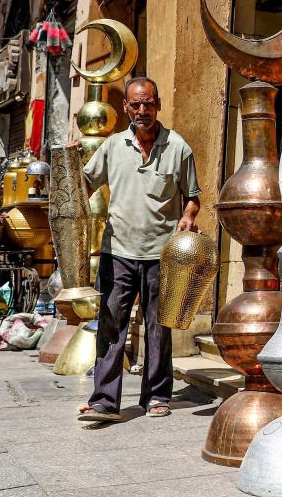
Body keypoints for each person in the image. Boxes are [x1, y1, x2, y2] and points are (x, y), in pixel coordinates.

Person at [76, 76, 201, 422]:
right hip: (117, 251)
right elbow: (83, 185)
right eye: (135, 104)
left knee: (159, 328)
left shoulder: (179, 147)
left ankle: (158, 395)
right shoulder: (113, 147)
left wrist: (188, 218)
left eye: (148, 103)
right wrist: (69, 173)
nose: (142, 110)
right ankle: (104, 400)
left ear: (158, 104)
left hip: (163, 254)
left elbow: (193, 198)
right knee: (111, 325)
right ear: (126, 108)